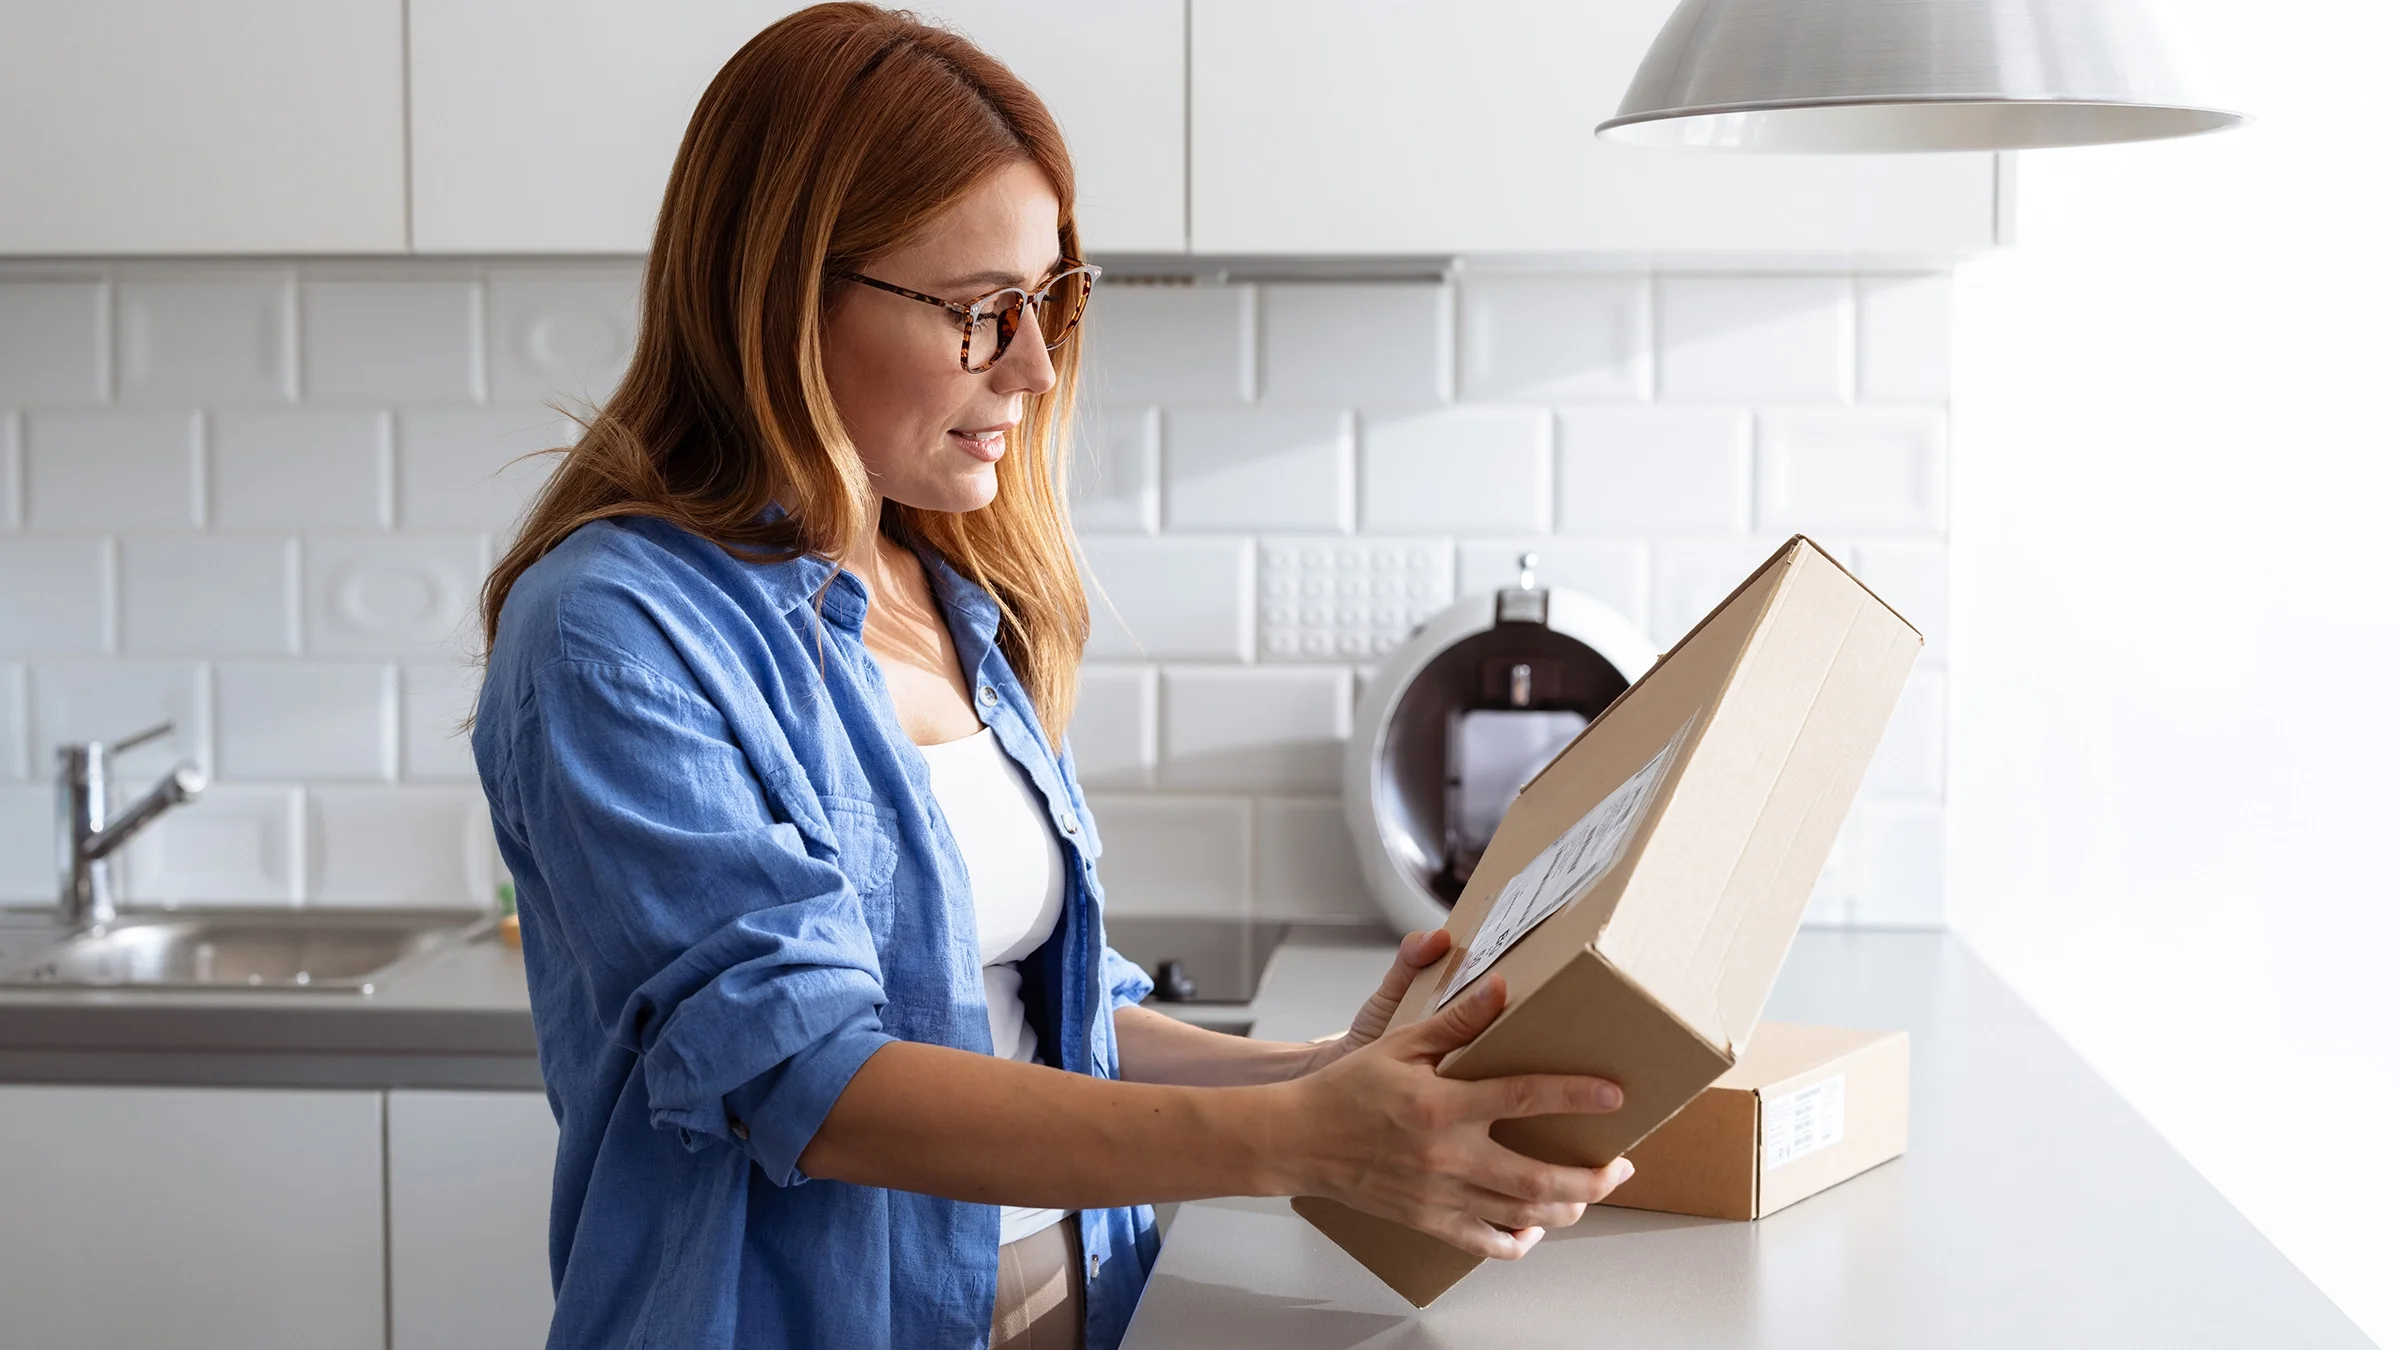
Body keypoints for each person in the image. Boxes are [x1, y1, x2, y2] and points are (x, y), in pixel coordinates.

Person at [470, 6, 1634, 1348]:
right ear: (786, 291)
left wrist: (1326, 1072)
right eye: (978, 311)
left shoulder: (950, 590)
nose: (1032, 365)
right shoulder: (612, 631)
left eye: (1047, 302)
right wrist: (1299, 1138)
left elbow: (1038, 1011)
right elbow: (814, 1079)